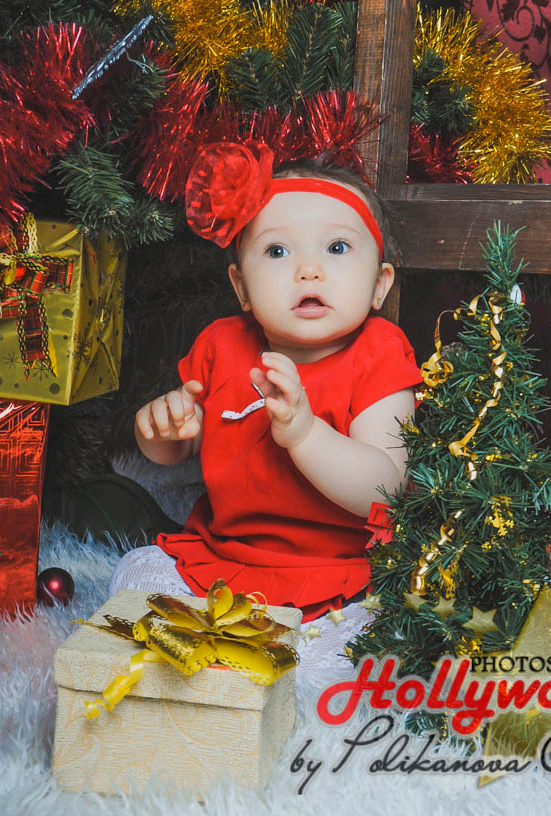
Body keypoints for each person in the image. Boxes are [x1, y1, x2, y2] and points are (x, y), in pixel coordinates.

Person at [109, 140, 422, 625]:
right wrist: (162, 433)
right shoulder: (222, 344)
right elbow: (184, 449)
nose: (308, 270)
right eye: (277, 250)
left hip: (341, 571)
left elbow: (386, 488)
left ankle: (305, 651)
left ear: (379, 284)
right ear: (242, 288)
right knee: (136, 574)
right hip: (224, 557)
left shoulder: (379, 352)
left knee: (376, 630)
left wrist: (305, 434)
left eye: (337, 248)